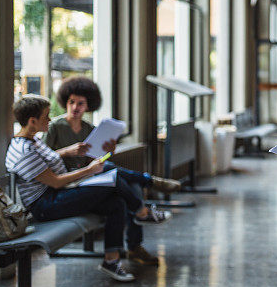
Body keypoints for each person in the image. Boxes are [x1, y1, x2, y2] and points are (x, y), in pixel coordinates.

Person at [6, 95, 170, 282]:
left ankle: (111, 260)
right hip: (46, 205)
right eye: (46, 117)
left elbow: (50, 162)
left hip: (58, 194)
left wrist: (70, 152)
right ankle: (142, 210)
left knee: (115, 202)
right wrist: (87, 171)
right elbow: (56, 182)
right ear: (32, 121)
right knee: (113, 178)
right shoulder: (24, 151)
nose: (50, 119)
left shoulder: (33, 141)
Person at [44, 76, 180, 265]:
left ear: (88, 106)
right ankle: (149, 186)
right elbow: (43, 158)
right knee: (113, 173)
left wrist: (107, 151)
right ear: (65, 102)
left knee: (128, 185)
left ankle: (134, 245)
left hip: (86, 179)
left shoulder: (89, 129)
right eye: (71, 102)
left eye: (80, 103)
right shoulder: (55, 127)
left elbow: (93, 162)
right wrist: (68, 151)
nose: (75, 107)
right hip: (68, 183)